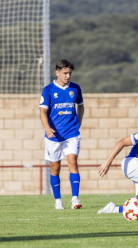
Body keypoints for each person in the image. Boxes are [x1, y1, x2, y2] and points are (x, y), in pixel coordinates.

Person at [39, 59, 84, 210]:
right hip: (53, 135)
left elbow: (81, 107)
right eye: (65, 73)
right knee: (55, 168)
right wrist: (47, 128)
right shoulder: (48, 90)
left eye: (70, 73)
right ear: (57, 72)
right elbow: (42, 111)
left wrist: (79, 122)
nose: (67, 76)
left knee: (72, 162)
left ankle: (75, 199)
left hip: (71, 133)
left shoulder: (75, 89)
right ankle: (58, 201)